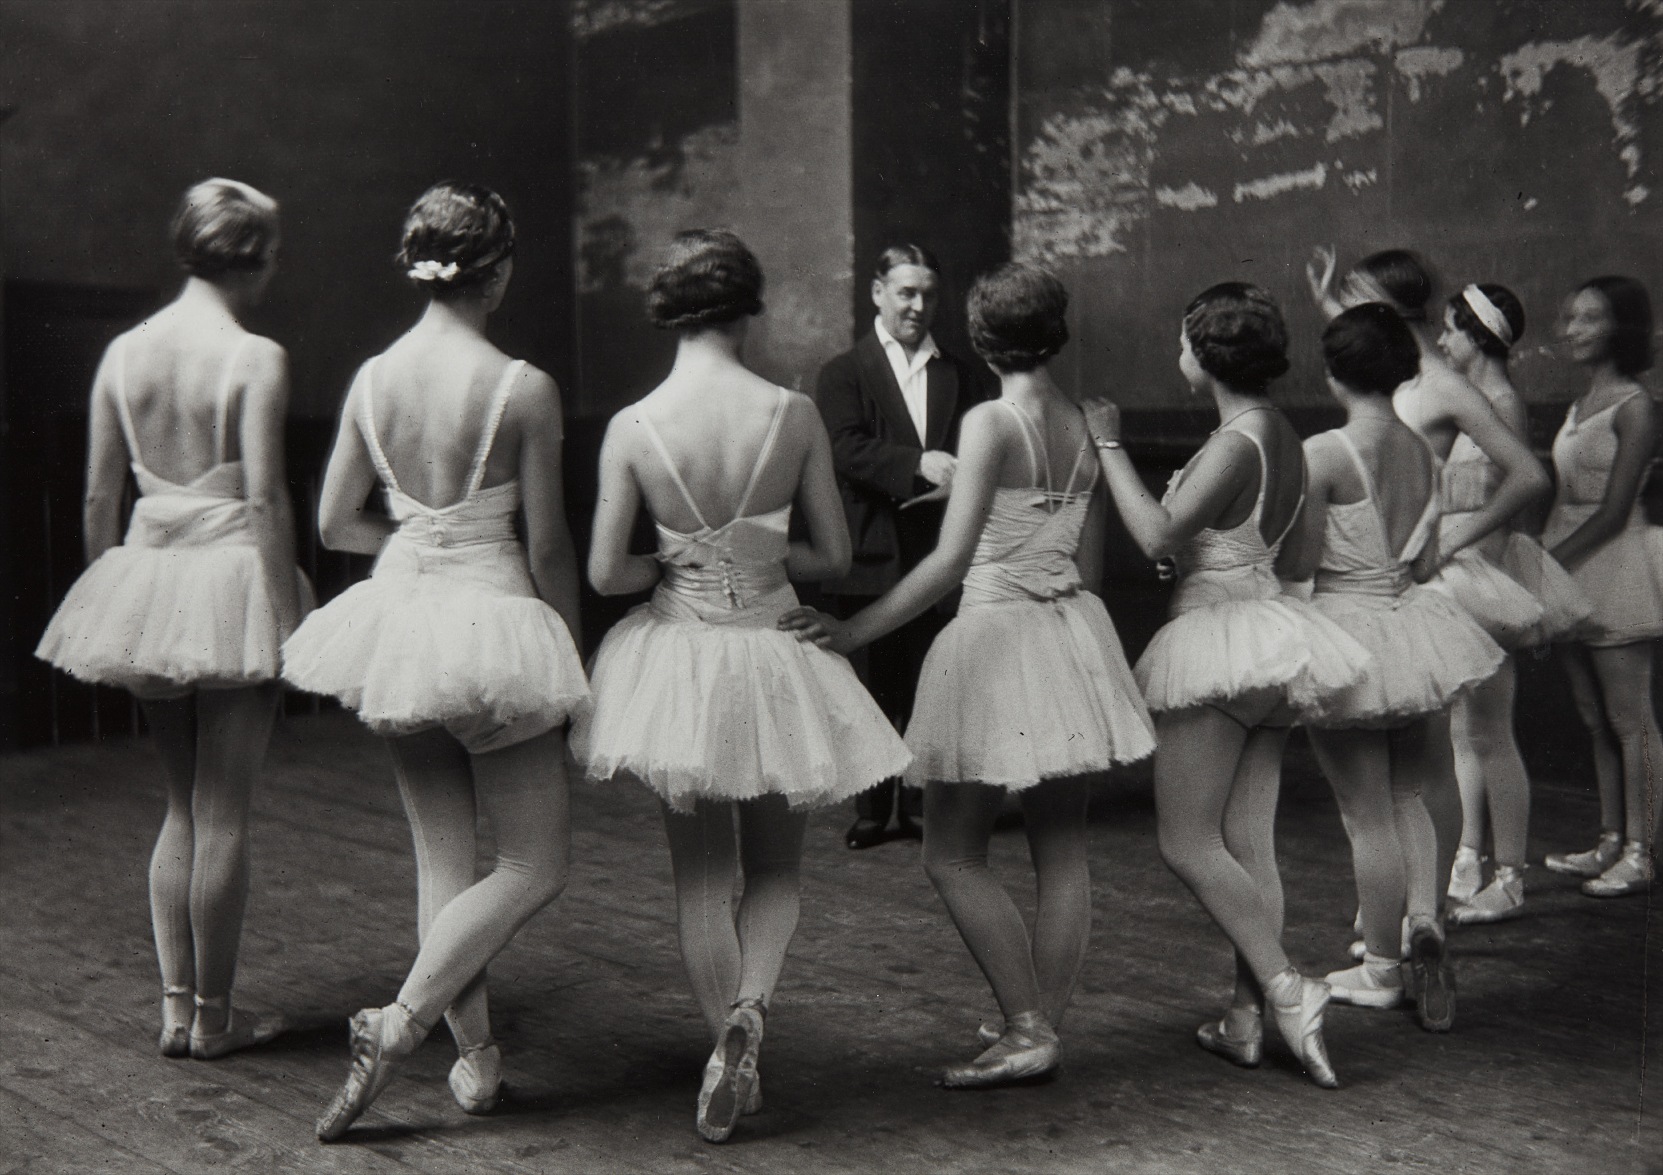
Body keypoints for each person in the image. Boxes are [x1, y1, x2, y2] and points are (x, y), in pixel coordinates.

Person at [782, 263, 1156, 1089]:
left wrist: (851, 629)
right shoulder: (1087, 422)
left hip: (995, 635)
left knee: (950, 853)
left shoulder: (990, 420)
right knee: (1063, 854)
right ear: (1056, 335)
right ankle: (1038, 1018)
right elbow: (1087, 567)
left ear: (983, 341)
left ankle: (1026, 1026)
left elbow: (951, 563)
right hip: (1068, 633)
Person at [575, 229, 909, 1144]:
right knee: (774, 867)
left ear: (664, 310)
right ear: (748, 307)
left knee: (699, 880)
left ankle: (726, 1050)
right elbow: (835, 556)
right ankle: (750, 1014)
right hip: (771, 647)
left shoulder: (634, 427)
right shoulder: (792, 413)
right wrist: (759, 557)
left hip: (679, 657)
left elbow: (607, 574)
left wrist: (677, 557)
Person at [282, 182, 589, 1140]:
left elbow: (334, 521)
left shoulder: (372, 378)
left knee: (442, 855)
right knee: (534, 862)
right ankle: (400, 1022)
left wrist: (417, 540)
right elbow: (545, 551)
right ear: (496, 270)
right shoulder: (522, 385)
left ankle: (481, 1064)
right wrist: (572, 661)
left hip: (402, 620)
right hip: (493, 615)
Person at [37, 178, 304, 1061]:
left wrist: (112, 598)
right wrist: (282, 609)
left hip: (149, 576)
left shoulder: (123, 353)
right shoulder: (254, 355)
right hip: (231, 576)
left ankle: (177, 1010)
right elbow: (264, 497)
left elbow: (97, 494)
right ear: (254, 257)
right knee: (224, 809)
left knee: (181, 804)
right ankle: (216, 1017)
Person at [1084, 283, 1365, 1088]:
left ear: (1205, 357)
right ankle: (1243, 1019)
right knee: (1247, 843)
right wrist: (1207, 546)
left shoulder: (1233, 442)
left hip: (1216, 644)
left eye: (1181, 341)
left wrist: (1109, 445)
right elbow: (1282, 555)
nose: (1176, 354)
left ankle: (1285, 986)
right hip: (1270, 636)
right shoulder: (1281, 433)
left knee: (1186, 840)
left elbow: (1152, 537)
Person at [1306, 248, 1550, 910]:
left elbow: (1527, 473)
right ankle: (1425, 896)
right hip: (1400, 584)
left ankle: (1486, 881)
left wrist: (1452, 537)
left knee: (1465, 742)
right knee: (1433, 754)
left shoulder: (1441, 384)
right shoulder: (1396, 378)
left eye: (1356, 298)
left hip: (1440, 575)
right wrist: (1329, 299)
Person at [1284, 304, 1505, 1033]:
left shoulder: (1324, 451)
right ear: (1406, 370)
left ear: (1331, 372)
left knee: (1363, 810)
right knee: (1411, 792)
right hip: (1412, 626)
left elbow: (1301, 563)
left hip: (1345, 629)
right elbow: (1420, 555)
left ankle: (1380, 966)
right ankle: (1423, 918)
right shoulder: (1423, 451)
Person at [816, 245, 983, 848]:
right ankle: (871, 805)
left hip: (938, 550)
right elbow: (843, 447)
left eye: (929, 294)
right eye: (906, 292)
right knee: (870, 686)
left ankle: (916, 802)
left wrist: (957, 475)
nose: (918, 305)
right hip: (873, 551)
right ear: (877, 293)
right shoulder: (844, 372)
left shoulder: (958, 373)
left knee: (927, 682)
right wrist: (917, 463)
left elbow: (977, 454)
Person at [1435, 284, 1592, 923]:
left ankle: (1510, 875)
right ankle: (1469, 858)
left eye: (1451, 330)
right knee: (1463, 732)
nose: (1443, 342)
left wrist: (1502, 592)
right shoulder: (1472, 403)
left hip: (1487, 580)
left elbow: (1513, 501)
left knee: (1491, 734)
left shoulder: (1500, 404)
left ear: (1477, 336)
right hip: (1460, 581)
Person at [1541, 276, 1663, 897]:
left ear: (1622, 328)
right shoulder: (1580, 402)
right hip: (1571, 567)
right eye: (1570, 317)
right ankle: (1610, 839)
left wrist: (1542, 568)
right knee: (1593, 718)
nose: (1572, 329)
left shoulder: (1637, 405)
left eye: (1589, 318)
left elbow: (1614, 512)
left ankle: (1643, 851)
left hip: (1613, 565)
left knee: (1630, 719)